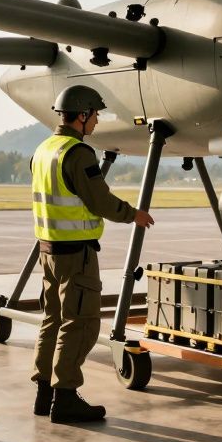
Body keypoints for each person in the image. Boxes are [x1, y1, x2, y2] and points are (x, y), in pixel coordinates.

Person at [30, 84, 154, 423]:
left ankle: (44, 394)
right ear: (82, 116)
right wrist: (133, 214)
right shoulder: (78, 153)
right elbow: (99, 201)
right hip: (76, 255)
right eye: (96, 114)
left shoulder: (44, 149)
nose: (98, 121)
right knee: (80, 323)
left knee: (53, 320)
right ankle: (66, 398)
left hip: (48, 250)